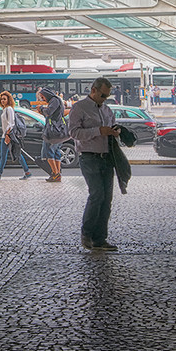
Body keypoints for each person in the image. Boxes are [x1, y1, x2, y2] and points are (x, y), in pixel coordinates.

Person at [67, 77, 121, 251]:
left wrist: (116, 132)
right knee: (97, 194)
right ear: (94, 90)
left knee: (107, 198)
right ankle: (87, 234)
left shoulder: (106, 109)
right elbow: (74, 132)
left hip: (107, 156)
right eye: (103, 95)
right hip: (89, 156)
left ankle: (100, 239)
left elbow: (112, 126)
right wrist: (98, 131)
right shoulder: (79, 108)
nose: (105, 99)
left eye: (107, 96)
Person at [0, 91, 31, 181]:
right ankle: (27, 172)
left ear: (8, 100)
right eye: (1, 99)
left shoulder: (9, 109)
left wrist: (7, 135)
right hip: (5, 135)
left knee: (9, 154)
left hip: (8, 136)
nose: (3, 100)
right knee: (15, 153)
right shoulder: (5, 109)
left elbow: (11, 123)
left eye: (4, 99)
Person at [38, 87, 65, 183]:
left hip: (53, 131)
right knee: (56, 152)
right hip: (58, 130)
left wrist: (41, 109)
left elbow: (49, 112)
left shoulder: (54, 100)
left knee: (48, 151)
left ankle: (55, 173)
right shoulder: (57, 100)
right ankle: (57, 174)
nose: (42, 99)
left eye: (42, 97)